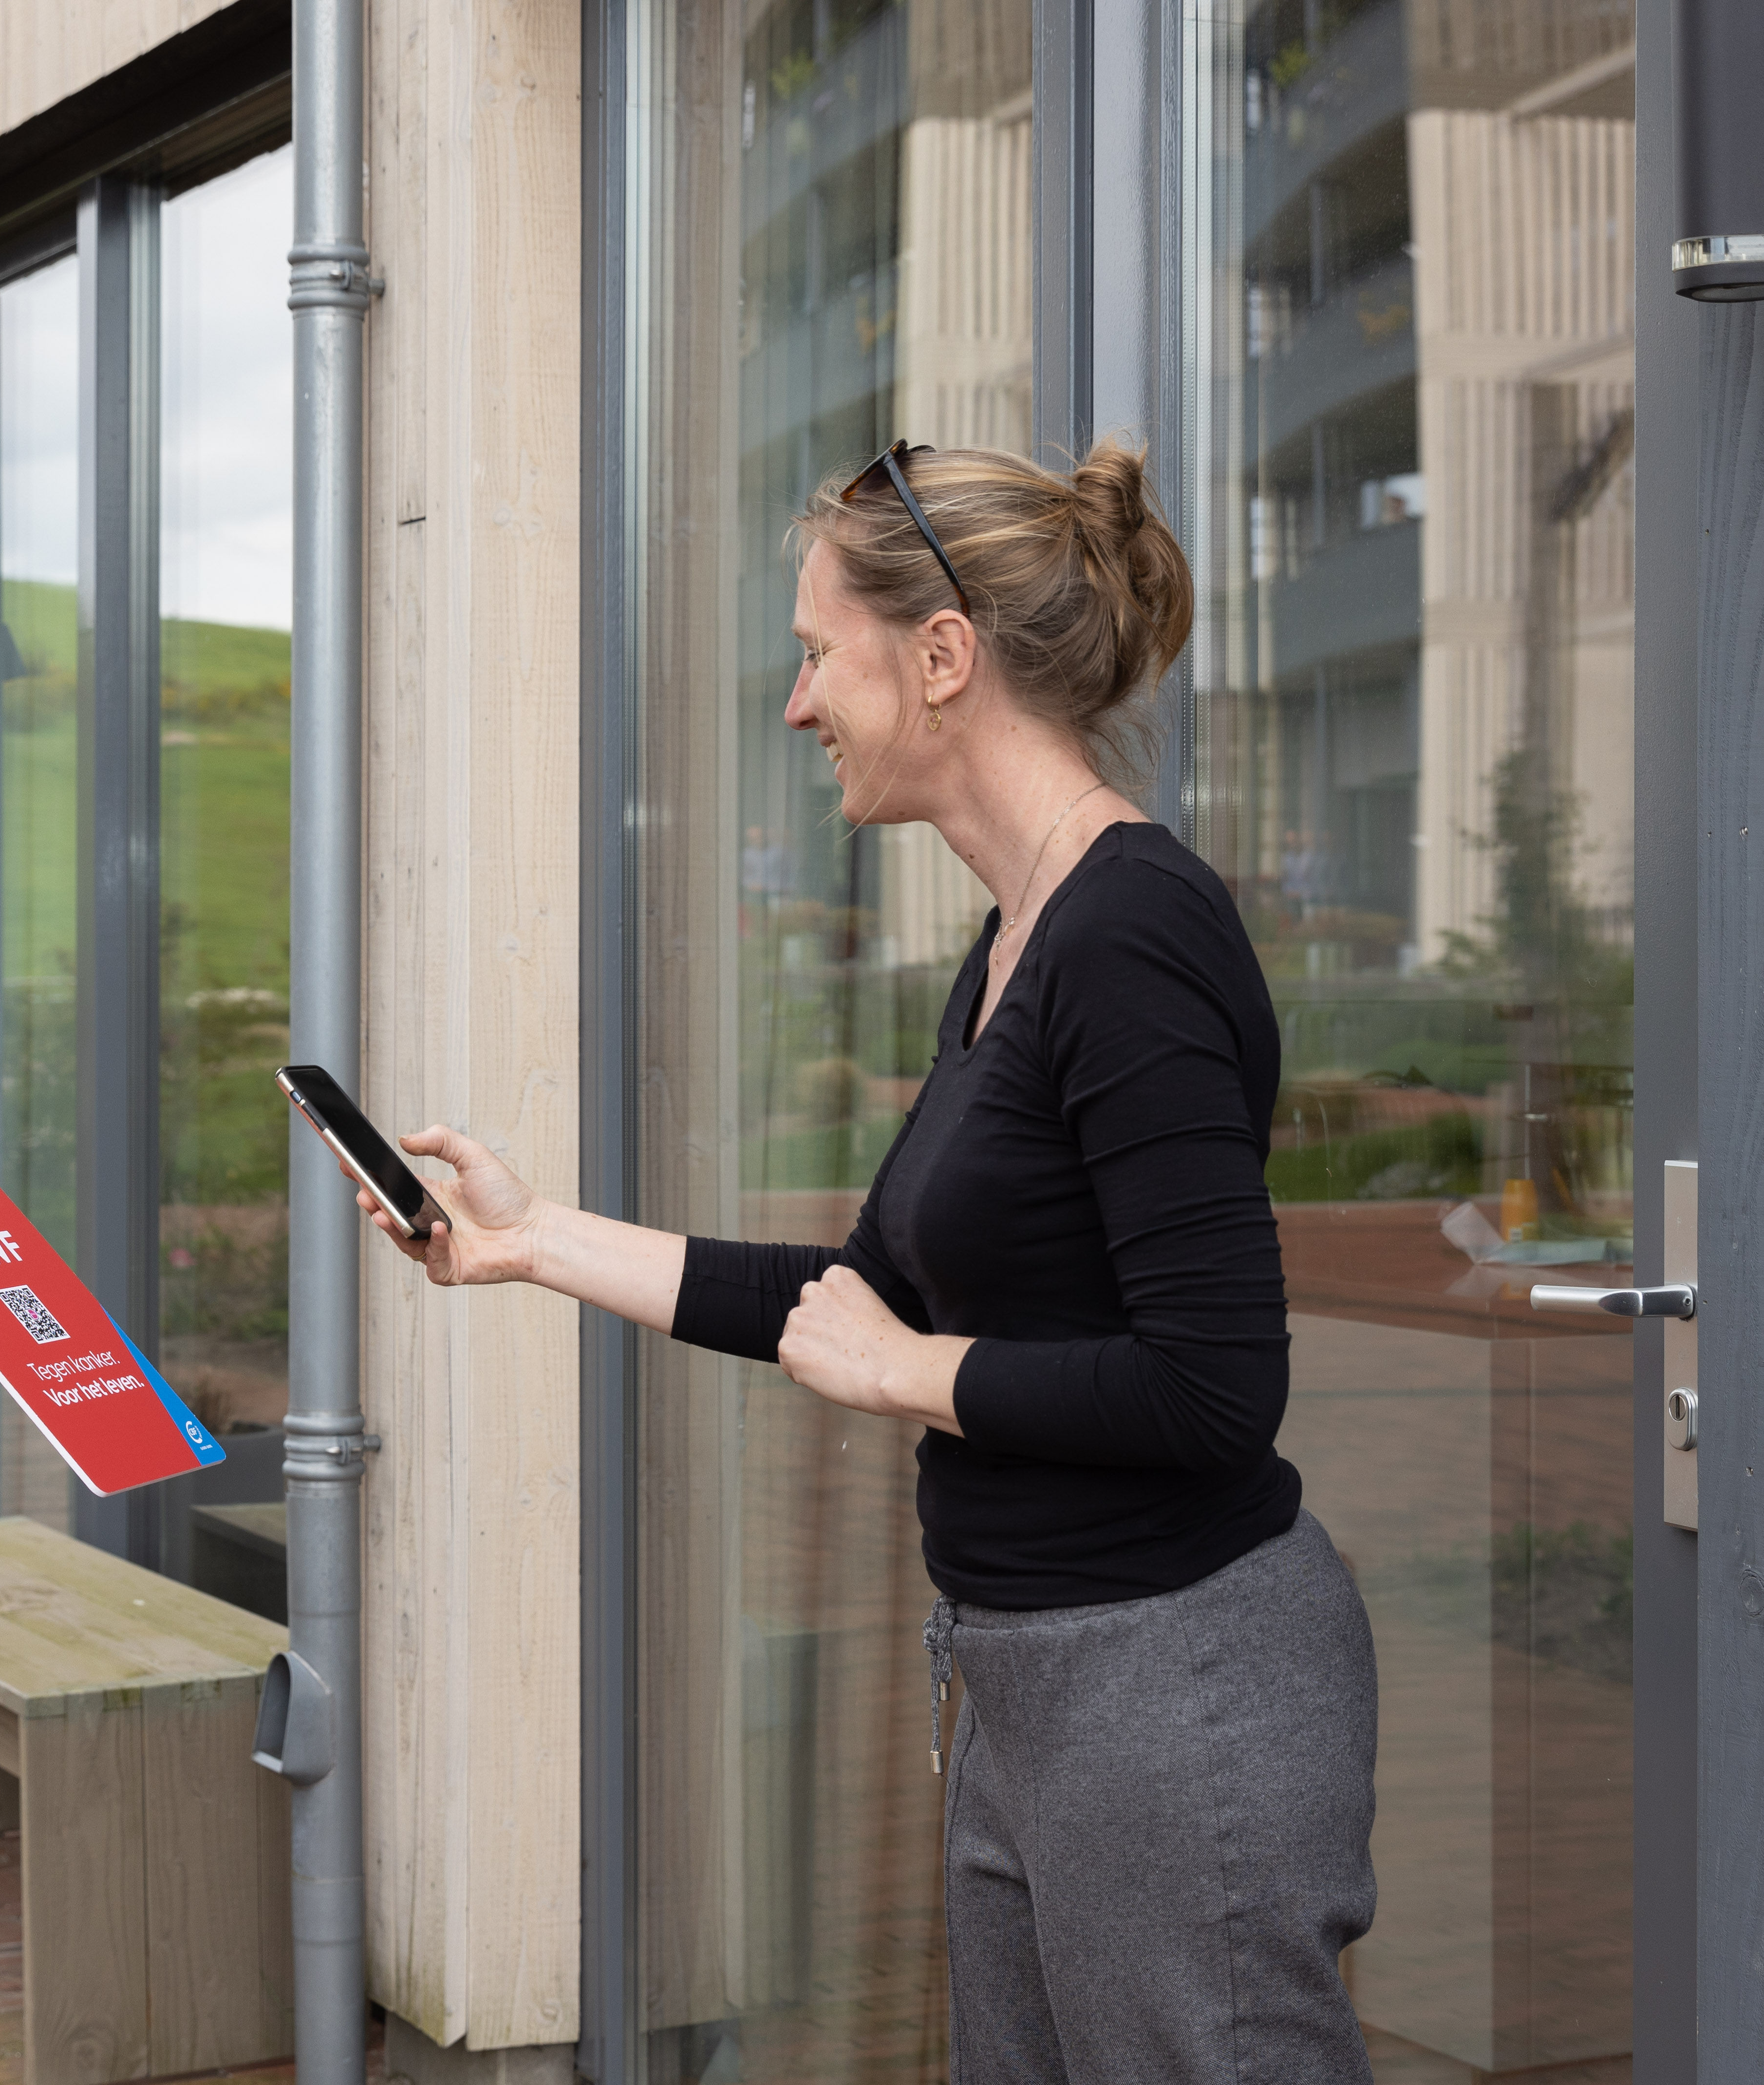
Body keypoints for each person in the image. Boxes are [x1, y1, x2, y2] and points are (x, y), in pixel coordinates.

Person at [365, 441, 1378, 2082]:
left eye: (813, 649)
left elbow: (1213, 1384)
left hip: (1176, 1685)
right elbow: (858, 1297)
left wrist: (904, 1378)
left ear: (942, 655)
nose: (797, 702)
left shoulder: (1133, 929)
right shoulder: (1015, 939)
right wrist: (532, 1239)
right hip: (1031, 1674)